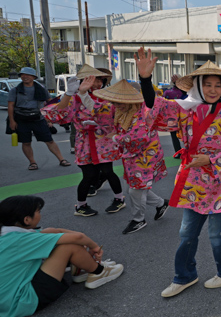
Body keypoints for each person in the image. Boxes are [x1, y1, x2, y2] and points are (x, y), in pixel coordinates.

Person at [135, 49, 221, 298]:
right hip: (193, 182)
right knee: (186, 233)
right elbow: (156, 108)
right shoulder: (184, 110)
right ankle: (184, 275)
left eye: (217, 85)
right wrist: (145, 80)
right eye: (207, 84)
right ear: (197, 86)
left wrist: (210, 159)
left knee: (219, 235)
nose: (213, 90)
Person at [0, 195, 124, 317]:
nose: (40, 214)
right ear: (27, 220)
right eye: (38, 211)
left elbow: (55, 231)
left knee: (53, 236)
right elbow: (78, 238)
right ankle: (99, 272)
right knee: (68, 246)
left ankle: (80, 269)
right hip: (20, 302)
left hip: (5, 301)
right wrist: (94, 247)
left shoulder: (8, 235)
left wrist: (83, 242)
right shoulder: (21, 240)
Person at [42, 65, 125, 217]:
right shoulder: (74, 97)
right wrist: (68, 93)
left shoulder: (105, 95)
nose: (99, 83)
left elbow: (109, 115)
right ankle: (81, 205)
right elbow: (57, 115)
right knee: (88, 175)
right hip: (84, 140)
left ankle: (119, 198)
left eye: (101, 79)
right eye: (95, 79)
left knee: (108, 170)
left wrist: (99, 122)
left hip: (103, 139)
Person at [92, 80, 169, 235]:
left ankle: (138, 220)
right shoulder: (121, 110)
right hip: (133, 155)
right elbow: (104, 115)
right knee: (138, 188)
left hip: (146, 155)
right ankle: (161, 203)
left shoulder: (144, 112)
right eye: (114, 101)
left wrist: (116, 138)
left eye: (120, 101)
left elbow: (138, 138)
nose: (116, 104)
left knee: (135, 189)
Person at [7, 67, 71, 171]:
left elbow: (50, 103)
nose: (24, 76)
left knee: (49, 140)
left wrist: (49, 119)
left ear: (33, 77)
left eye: (27, 75)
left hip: (38, 118)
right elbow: (11, 106)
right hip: (21, 119)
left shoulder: (41, 89)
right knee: (26, 142)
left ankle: (62, 159)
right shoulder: (15, 90)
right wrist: (12, 121)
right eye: (22, 75)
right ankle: (32, 162)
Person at [163, 74, 186, 154]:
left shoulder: (167, 92)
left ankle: (178, 152)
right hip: (183, 116)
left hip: (171, 117)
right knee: (185, 134)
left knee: (173, 135)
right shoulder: (185, 93)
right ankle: (187, 150)